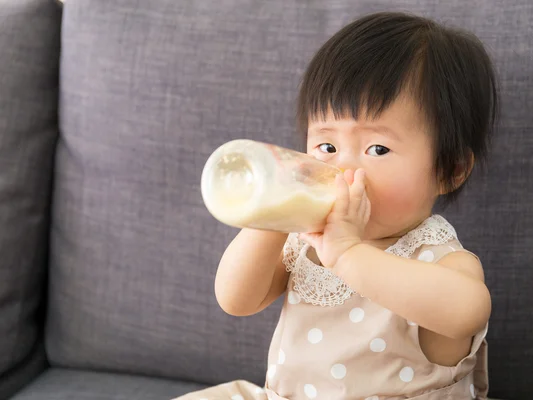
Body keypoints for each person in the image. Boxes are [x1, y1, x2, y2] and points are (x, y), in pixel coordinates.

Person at [176, 11, 498, 400]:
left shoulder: (438, 259)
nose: (342, 168)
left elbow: (468, 311)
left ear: (451, 169)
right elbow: (235, 300)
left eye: (377, 148)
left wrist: (349, 254)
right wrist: (269, 217)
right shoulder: (302, 242)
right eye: (327, 146)